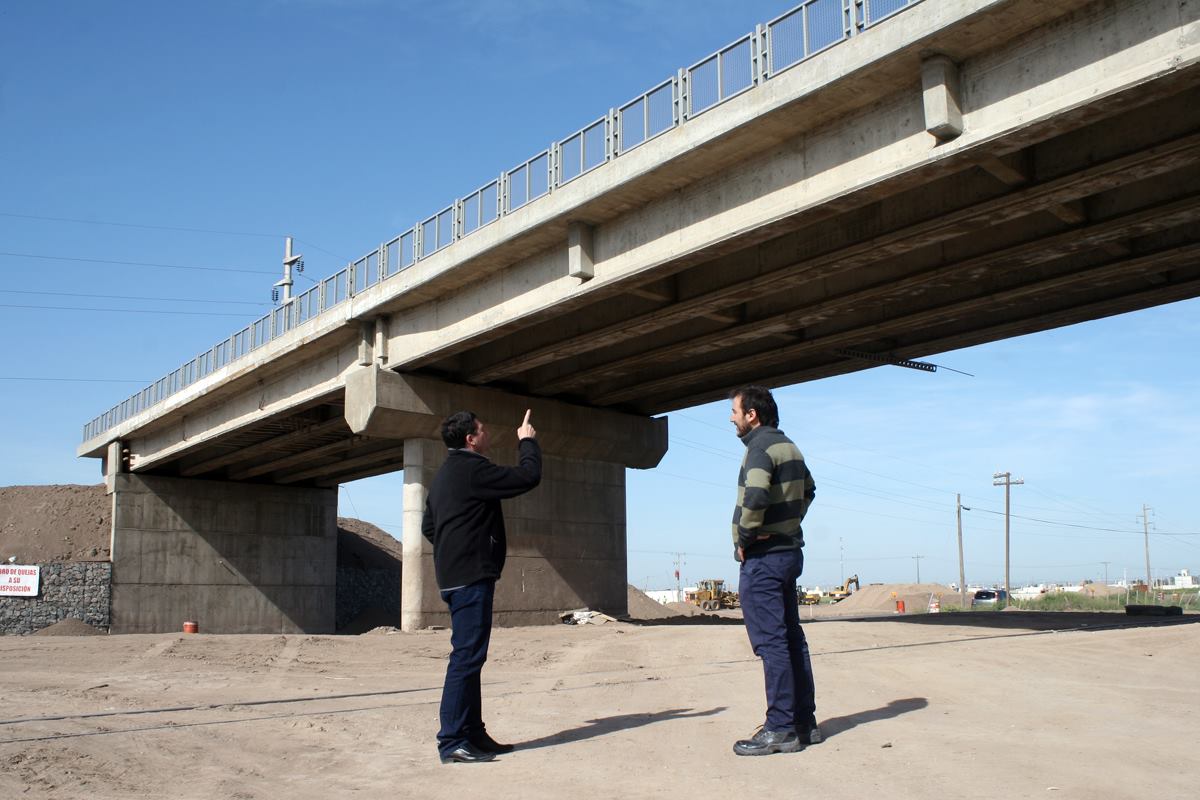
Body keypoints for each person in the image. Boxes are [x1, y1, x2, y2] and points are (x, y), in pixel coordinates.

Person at [421, 408, 541, 764]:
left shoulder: (443, 476)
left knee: (471, 656)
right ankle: (452, 740)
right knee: (465, 657)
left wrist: (453, 548)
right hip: (471, 577)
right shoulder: (472, 469)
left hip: (456, 576)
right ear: (471, 439)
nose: (487, 433)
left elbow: (430, 528)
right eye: (482, 429)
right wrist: (527, 442)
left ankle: (473, 734)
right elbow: (527, 476)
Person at [727, 385, 819, 756]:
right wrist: (788, 523)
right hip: (788, 552)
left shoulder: (760, 448)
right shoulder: (789, 447)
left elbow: (757, 494)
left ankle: (780, 727)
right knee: (791, 638)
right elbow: (809, 489)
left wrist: (746, 537)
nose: (731, 418)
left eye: (735, 411)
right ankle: (802, 723)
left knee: (772, 643)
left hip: (764, 558)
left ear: (752, 415)